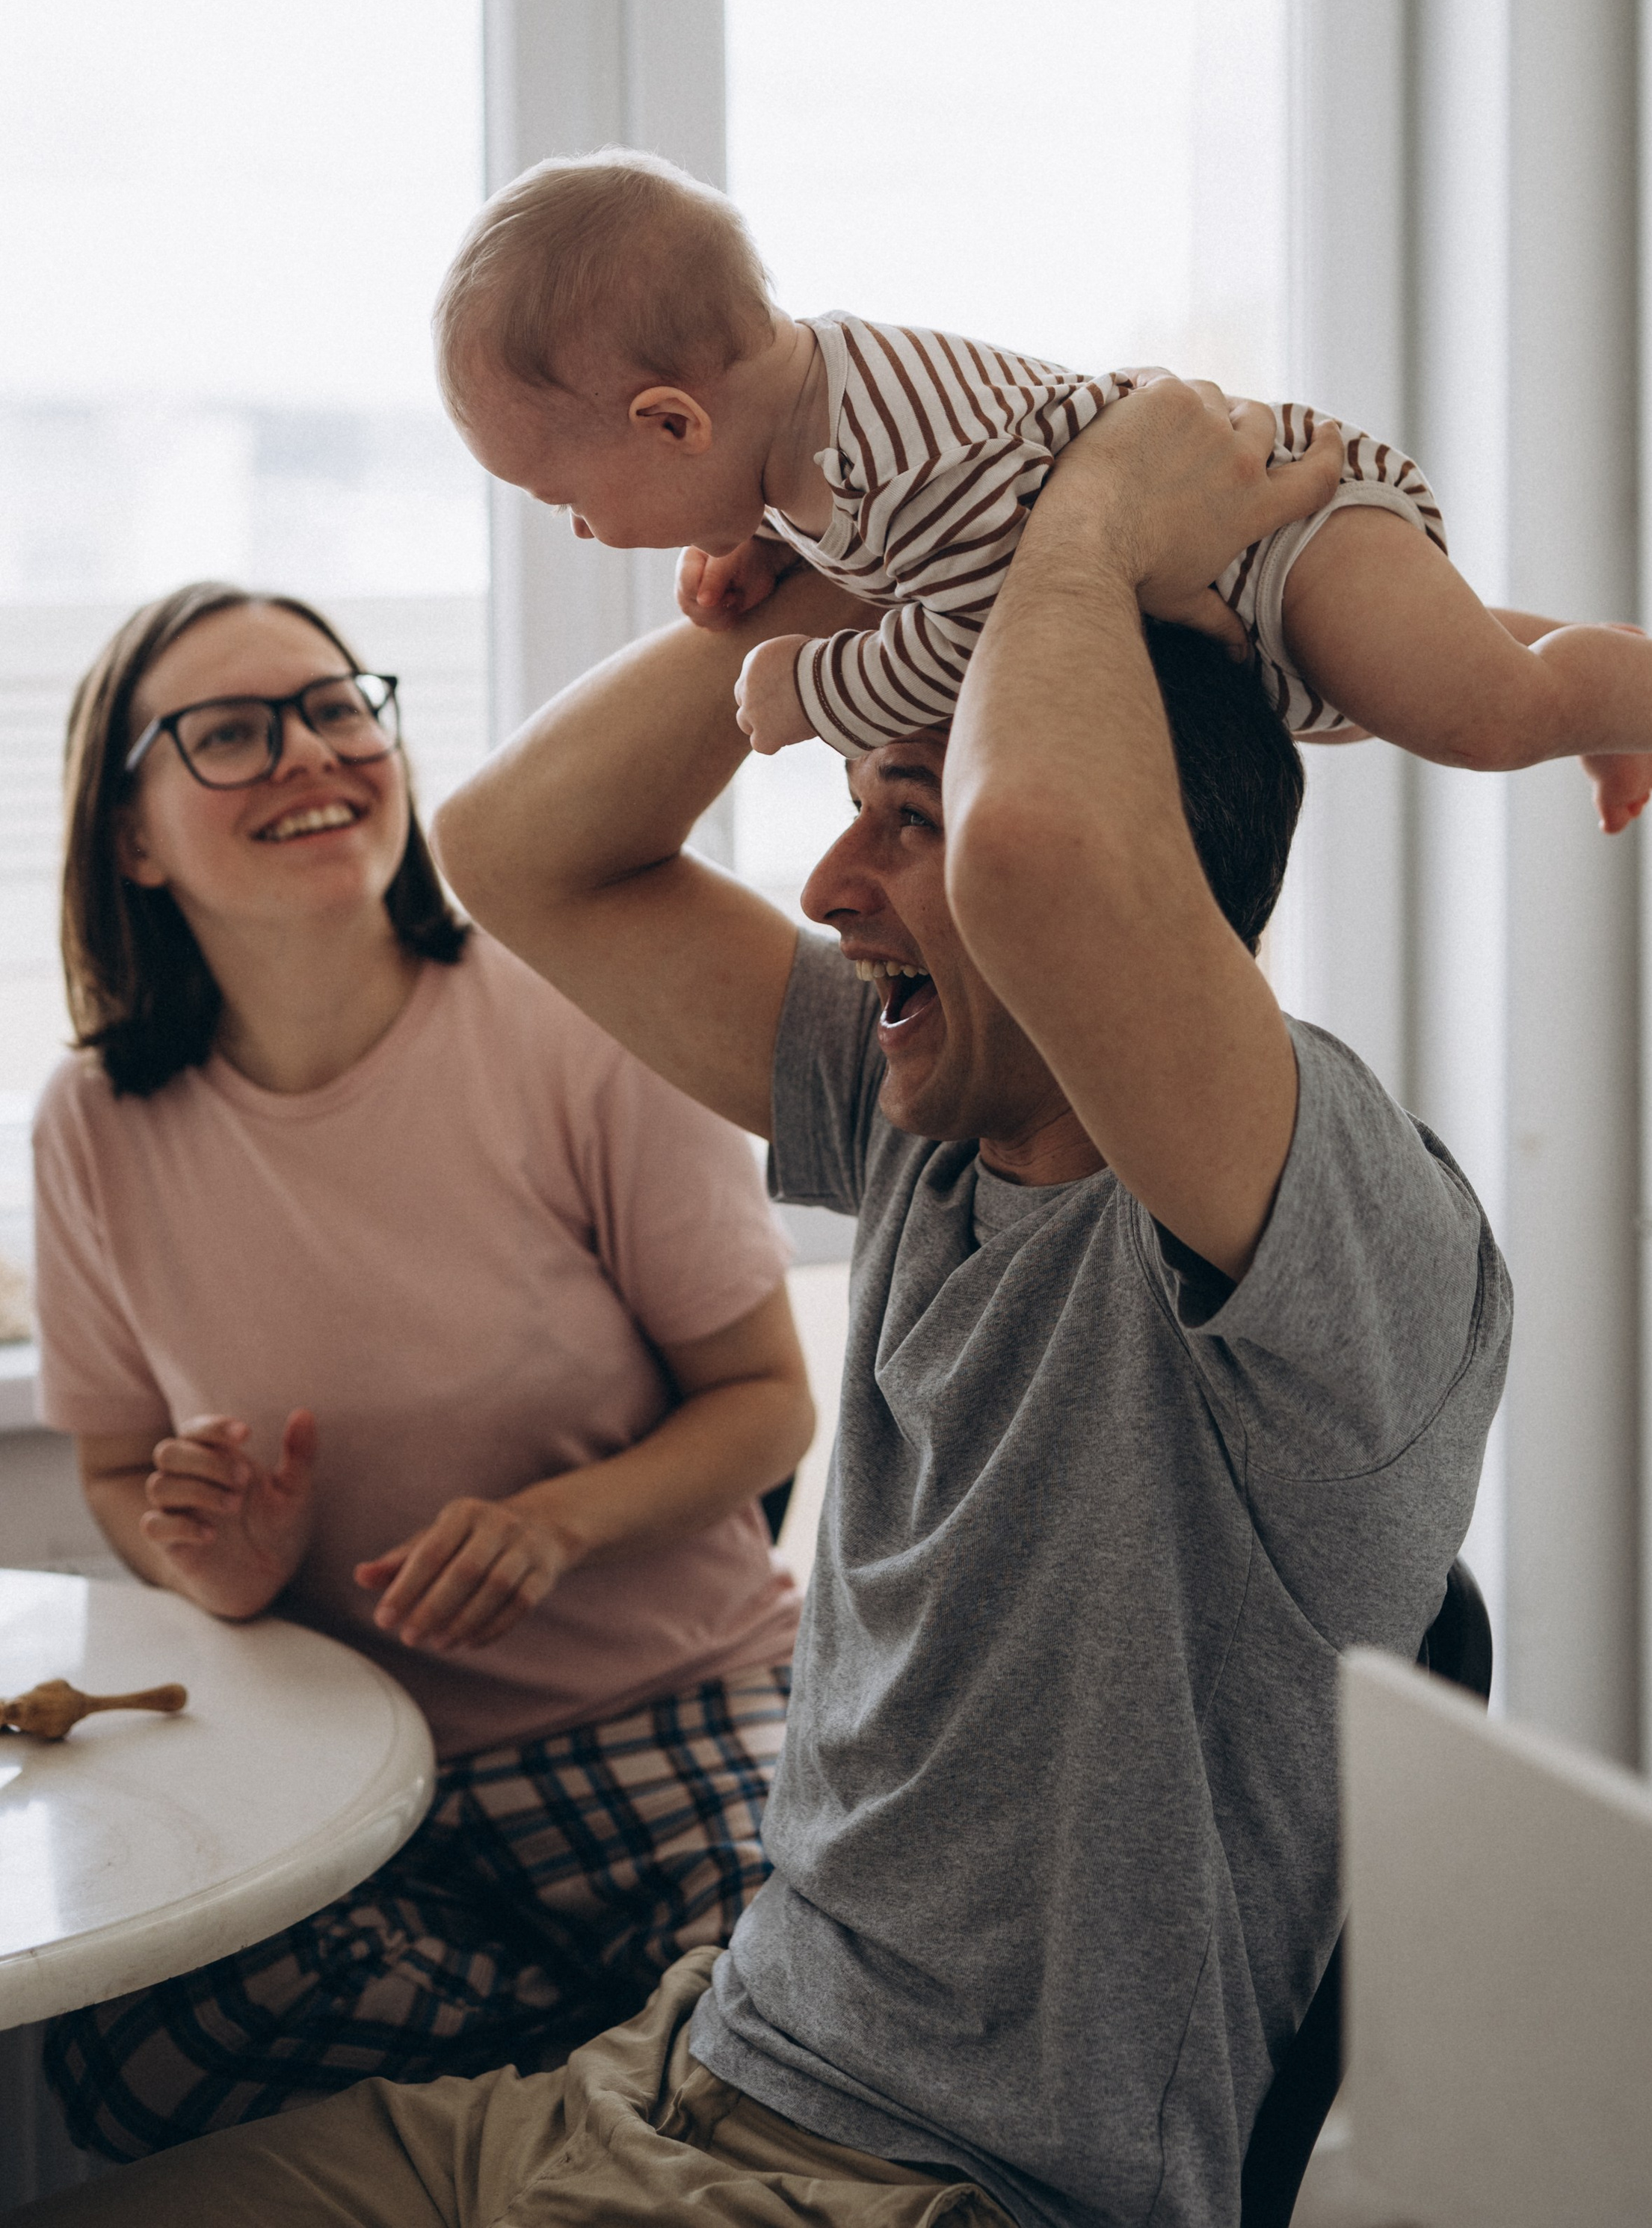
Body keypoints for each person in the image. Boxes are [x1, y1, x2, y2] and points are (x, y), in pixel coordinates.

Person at [25, 378, 1510, 2228]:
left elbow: (1048, 860)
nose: (825, 886)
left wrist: (1094, 503)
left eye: (906, 823)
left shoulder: (1332, 1230)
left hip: (920, 2186)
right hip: (676, 2070)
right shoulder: (923, 1118)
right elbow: (518, 849)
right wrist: (831, 566)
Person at [31, 580, 813, 2160]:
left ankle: (602, 2099)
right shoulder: (93, 1126)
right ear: (129, 837)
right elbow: (117, 1469)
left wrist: (559, 1522)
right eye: (231, 734)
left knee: (813, 2042)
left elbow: (767, 1402)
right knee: (125, 2061)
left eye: (337, 706)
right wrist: (215, 1560)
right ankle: (607, 2090)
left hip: (672, 1716)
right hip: (351, 1771)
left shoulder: (567, 1018)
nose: (312, 754)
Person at [431, 144, 1652, 831]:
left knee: (1474, 719)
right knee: (1394, 689)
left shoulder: (895, 455)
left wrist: (808, 689)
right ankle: (1607, 682)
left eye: (560, 494)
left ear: (671, 421)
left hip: (1281, 532)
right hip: (1248, 579)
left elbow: (973, 640)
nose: (575, 528)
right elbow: (926, 565)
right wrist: (770, 544)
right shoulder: (806, 437)